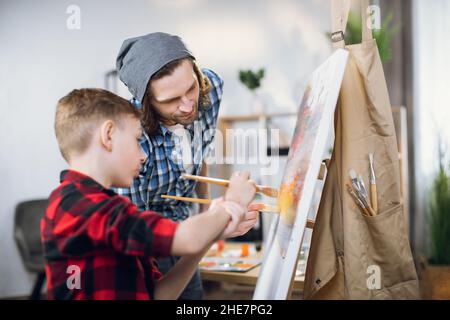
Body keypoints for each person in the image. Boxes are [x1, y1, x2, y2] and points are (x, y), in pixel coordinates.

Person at [41, 88, 258, 300]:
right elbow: (186, 238)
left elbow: (158, 294)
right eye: (137, 140)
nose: (143, 155)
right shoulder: (77, 206)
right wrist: (233, 202)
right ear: (108, 135)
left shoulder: (108, 209)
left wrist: (211, 235)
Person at [115, 32, 260, 299]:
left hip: (189, 226)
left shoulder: (210, 88)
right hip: (149, 242)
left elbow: (198, 152)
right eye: (171, 100)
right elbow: (137, 235)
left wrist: (207, 215)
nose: (187, 105)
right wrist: (212, 225)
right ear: (146, 101)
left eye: (190, 88)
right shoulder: (133, 141)